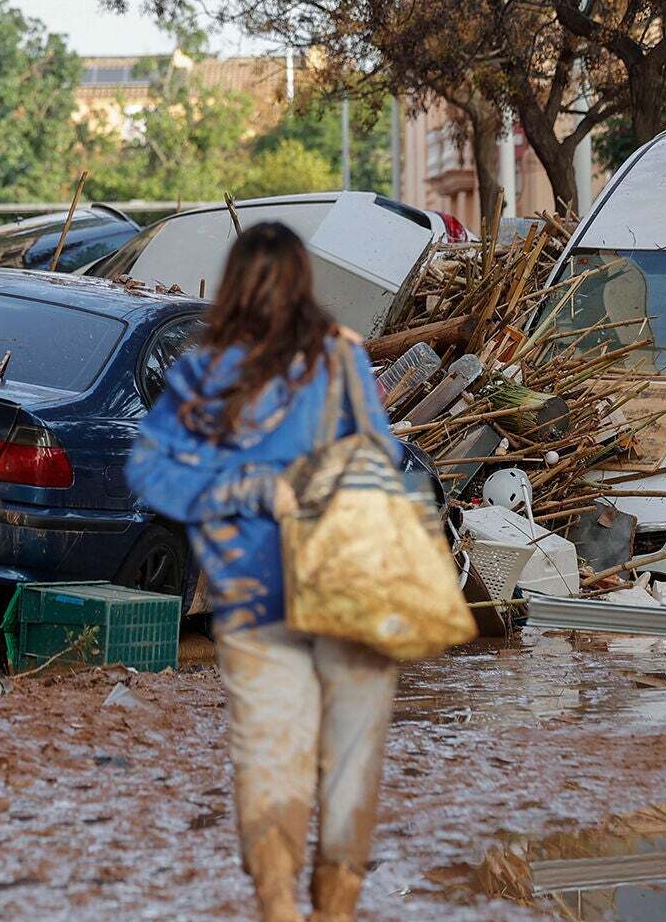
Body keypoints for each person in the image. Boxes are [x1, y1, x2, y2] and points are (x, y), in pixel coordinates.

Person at [128, 223, 404, 922]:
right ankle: (334, 911)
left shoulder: (205, 368)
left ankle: (279, 905)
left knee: (272, 761)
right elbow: (385, 458)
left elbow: (152, 473)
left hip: (253, 605)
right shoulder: (342, 358)